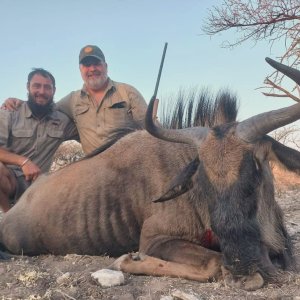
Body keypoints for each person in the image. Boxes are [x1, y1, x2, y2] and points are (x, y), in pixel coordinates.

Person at [3, 45, 148, 154]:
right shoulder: (72, 100)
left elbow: (151, 130)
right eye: (86, 65)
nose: (92, 69)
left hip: (129, 165)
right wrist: (22, 103)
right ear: (80, 70)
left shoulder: (127, 92)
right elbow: (45, 105)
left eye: (96, 63)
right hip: (95, 170)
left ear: (106, 66)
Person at [0, 68, 78, 212]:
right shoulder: (9, 112)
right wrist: (23, 162)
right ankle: (6, 223)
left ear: (54, 90)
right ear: (28, 87)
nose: (42, 91)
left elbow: (87, 134)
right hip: (10, 179)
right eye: (37, 86)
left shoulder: (63, 120)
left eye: (47, 87)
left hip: (42, 186)